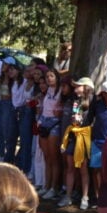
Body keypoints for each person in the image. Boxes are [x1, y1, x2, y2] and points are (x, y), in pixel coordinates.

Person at [58, 76, 94, 210]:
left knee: (83, 168)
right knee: (70, 167)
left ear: (86, 88)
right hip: (73, 135)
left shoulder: (92, 101)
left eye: (78, 85)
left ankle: (85, 197)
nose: (75, 88)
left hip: (83, 137)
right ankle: (68, 196)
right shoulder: (74, 100)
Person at [37, 69, 64, 200]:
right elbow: (43, 108)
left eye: (51, 76)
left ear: (57, 78)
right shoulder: (47, 91)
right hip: (44, 122)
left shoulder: (60, 92)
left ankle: (54, 188)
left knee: (54, 158)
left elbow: (59, 111)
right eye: (47, 76)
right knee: (46, 157)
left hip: (55, 124)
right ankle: (46, 186)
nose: (48, 79)